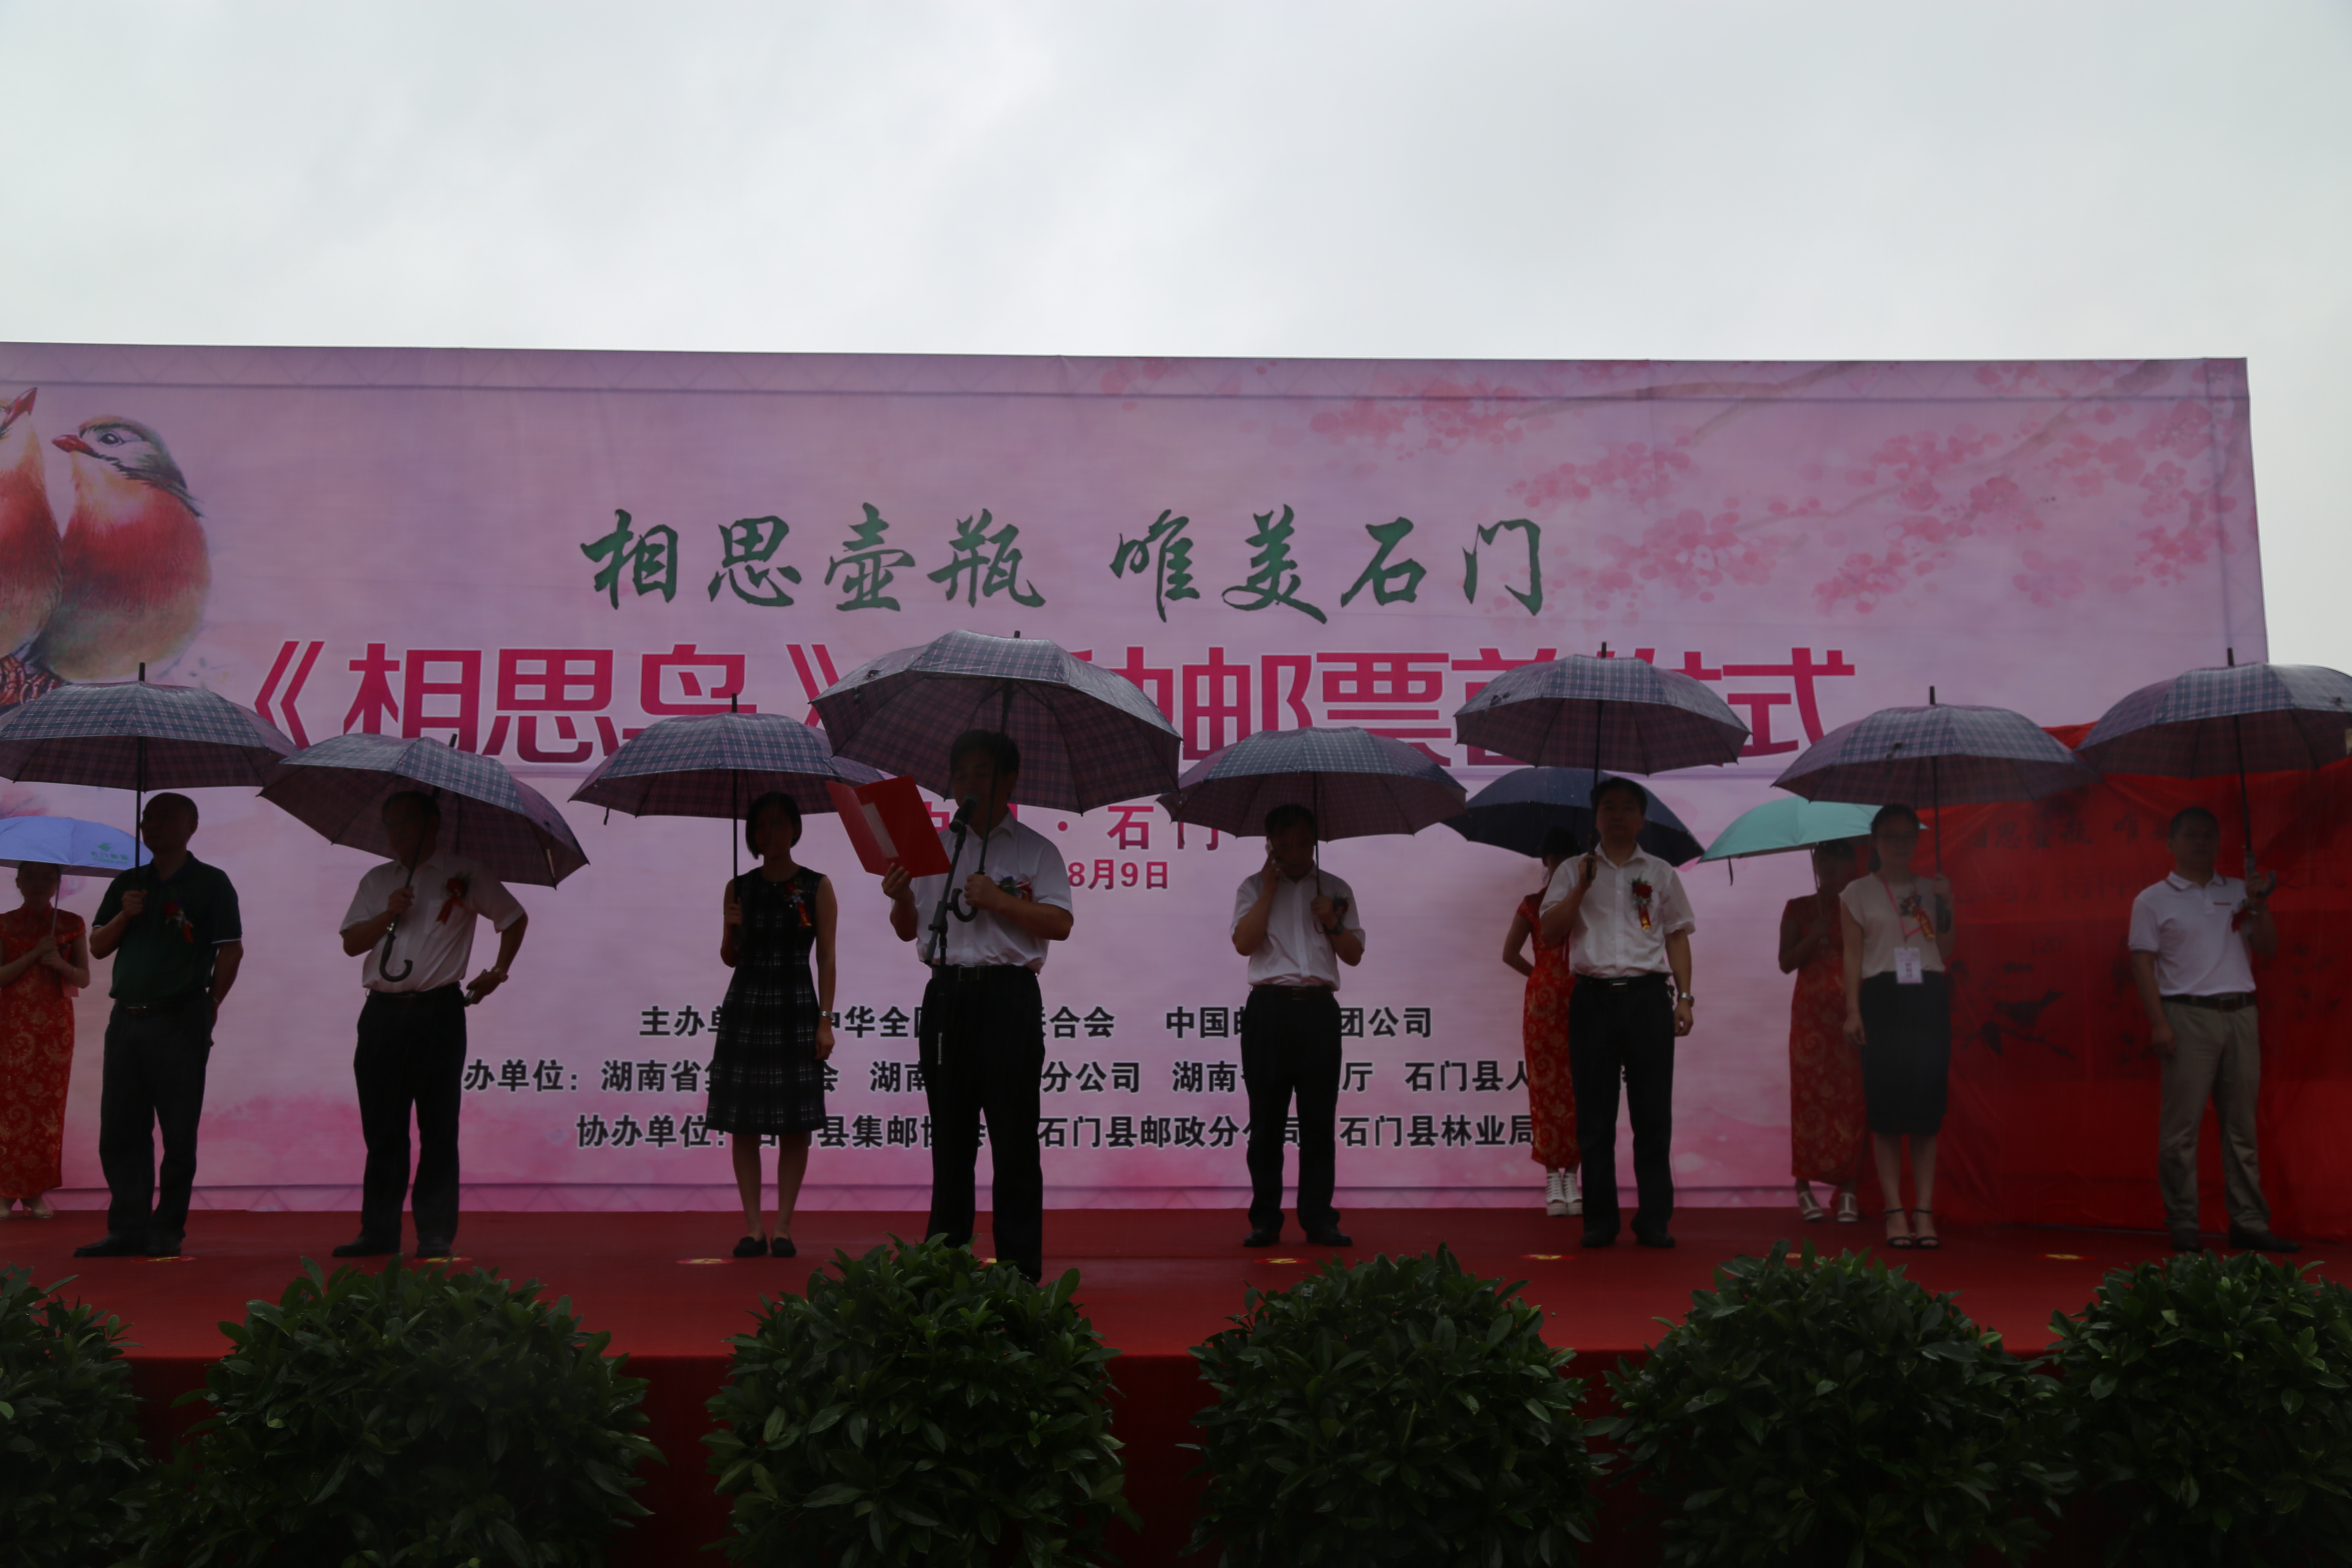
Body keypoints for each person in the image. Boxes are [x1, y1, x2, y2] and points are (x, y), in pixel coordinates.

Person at [879, 730, 1072, 1285]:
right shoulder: (933, 848)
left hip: (1010, 998)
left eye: (982, 773)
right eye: (961, 773)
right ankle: (944, 1270)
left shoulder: (1037, 849)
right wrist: (900, 899)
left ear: (1010, 781)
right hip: (946, 997)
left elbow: (1060, 923)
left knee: (1015, 1140)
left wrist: (1000, 901)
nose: (968, 783)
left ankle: (1020, 1273)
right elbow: (909, 930)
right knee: (951, 1140)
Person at [332, 791, 527, 1260]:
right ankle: (378, 1232)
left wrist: (499, 971)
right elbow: (352, 944)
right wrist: (388, 913)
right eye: (390, 824)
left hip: (438, 1012)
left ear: (433, 824)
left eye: (406, 822)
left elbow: (514, 918)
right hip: (382, 1014)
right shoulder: (378, 880)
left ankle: (435, 1235)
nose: (397, 833)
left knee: (438, 1127)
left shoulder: (466, 873)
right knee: (383, 1129)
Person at [75, 794, 242, 1259]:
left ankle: (167, 1227)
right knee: (121, 1129)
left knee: (178, 1129)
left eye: (167, 817)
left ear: (192, 826)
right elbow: (99, 946)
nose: (153, 824)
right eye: (148, 817)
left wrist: (212, 1004)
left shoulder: (211, 882)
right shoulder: (128, 883)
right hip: (127, 1018)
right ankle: (127, 1228)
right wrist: (125, 914)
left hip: (181, 1016)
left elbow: (231, 949)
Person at [2127, 805, 2295, 1253]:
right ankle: (2184, 1222)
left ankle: (2249, 1221)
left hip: (2240, 1012)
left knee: (2242, 1127)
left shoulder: (2241, 890)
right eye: (2191, 835)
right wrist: (2159, 1023)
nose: (2201, 843)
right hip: (2187, 1014)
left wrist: (2260, 906)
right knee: (2181, 1129)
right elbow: (2142, 963)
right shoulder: (2152, 899)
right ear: (2171, 843)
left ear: (2220, 844)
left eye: (2209, 836)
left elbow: (2268, 948)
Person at [1540, 778, 1695, 1249]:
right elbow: (1549, 933)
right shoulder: (1573, 870)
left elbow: (1677, 935)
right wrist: (1580, 888)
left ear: (1642, 818)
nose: (1618, 815)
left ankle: (1654, 1220)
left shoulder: (1661, 872)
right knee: (1595, 1118)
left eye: (1628, 808)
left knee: (1653, 1116)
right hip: (1593, 999)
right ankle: (1600, 1221)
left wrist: (1686, 997)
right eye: (1609, 807)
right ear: (1596, 817)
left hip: (1649, 999)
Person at [709, 792, 837, 1259]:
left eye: (779, 824)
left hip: (796, 1005)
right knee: (742, 1123)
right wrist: (731, 927)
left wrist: (826, 1021)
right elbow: (730, 958)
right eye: (761, 826)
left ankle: (782, 1227)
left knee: (794, 1125)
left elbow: (826, 957)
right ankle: (753, 1228)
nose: (770, 833)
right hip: (746, 1005)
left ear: (796, 830)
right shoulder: (738, 887)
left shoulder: (817, 885)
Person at [1232, 804, 1365, 1249]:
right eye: (1284, 845)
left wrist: (1333, 921)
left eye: (1304, 844)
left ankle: (1318, 1218)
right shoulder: (1252, 888)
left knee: (1318, 1122)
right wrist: (1269, 891)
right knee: (1266, 1122)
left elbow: (1353, 955)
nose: (1295, 853)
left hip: (1318, 1012)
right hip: (1268, 1011)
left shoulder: (1336, 889)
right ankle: (1266, 1220)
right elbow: (1244, 943)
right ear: (1269, 844)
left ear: (1315, 842)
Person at [1839, 804, 1954, 1250]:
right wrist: (1853, 1010)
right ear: (1875, 842)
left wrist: (1947, 904)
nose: (1901, 844)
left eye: (1909, 836)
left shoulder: (1933, 888)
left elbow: (1946, 949)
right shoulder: (1856, 893)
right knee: (1886, 1113)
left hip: (1927, 997)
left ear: (1918, 841)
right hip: (1882, 999)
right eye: (1891, 836)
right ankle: (1894, 1212)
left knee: (1926, 1114)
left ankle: (1924, 1211)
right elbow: (1853, 956)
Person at [1780, 839, 1868, 1224]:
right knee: (1808, 1097)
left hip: (1854, 1011)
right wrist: (1813, 936)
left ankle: (1849, 1187)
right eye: (1823, 858)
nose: (1829, 865)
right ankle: (1803, 1186)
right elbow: (1786, 963)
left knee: (1852, 1097)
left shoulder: (1860, 904)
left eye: (1837, 859)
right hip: (1812, 1018)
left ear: (1852, 864)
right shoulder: (1798, 907)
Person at [0, 861, 91, 1219]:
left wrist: (60, 964)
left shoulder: (71, 924)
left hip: (54, 1029)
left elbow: (82, 978)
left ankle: (35, 1192)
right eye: (31, 876)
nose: (39, 883)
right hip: (10, 1026)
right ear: (18, 881)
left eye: (48, 877)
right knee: (7, 1107)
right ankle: (5, 1191)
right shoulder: (4, 923)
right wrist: (35, 954)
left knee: (46, 1111)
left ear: (59, 882)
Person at [1502, 826, 1579, 1219]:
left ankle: (1574, 1176)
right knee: (1546, 1087)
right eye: (1556, 856)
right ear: (1546, 860)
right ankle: (1552, 1175)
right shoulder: (1532, 904)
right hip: (1543, 1007)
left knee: (1580, 1086)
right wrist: (1541, 976)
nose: (1561, 863)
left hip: (1583, 1001)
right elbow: (1509, 954)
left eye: (1569, 857)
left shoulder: (1587, 904)